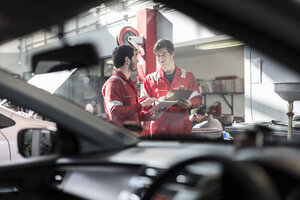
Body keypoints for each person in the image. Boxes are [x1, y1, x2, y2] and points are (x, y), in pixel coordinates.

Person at [142, 39, 202, 135]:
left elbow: (197, 98)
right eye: (158, 55)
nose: (161, 59)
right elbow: (143, 104)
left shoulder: (188, 76)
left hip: (182, 130)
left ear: (172, 53)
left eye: (164, 54)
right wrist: (156, 103)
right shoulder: (150, 79)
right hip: (159, 131)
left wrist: (190, 103)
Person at [102, 45, 156, 129]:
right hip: (121, 138)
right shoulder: (113, 84)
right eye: (135, 57)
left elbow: (133, 114)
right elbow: (114, 114)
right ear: (127, 60)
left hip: (132, 136)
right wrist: (142, 105)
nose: (137, 60)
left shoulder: (130, 83)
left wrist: (151, 116)